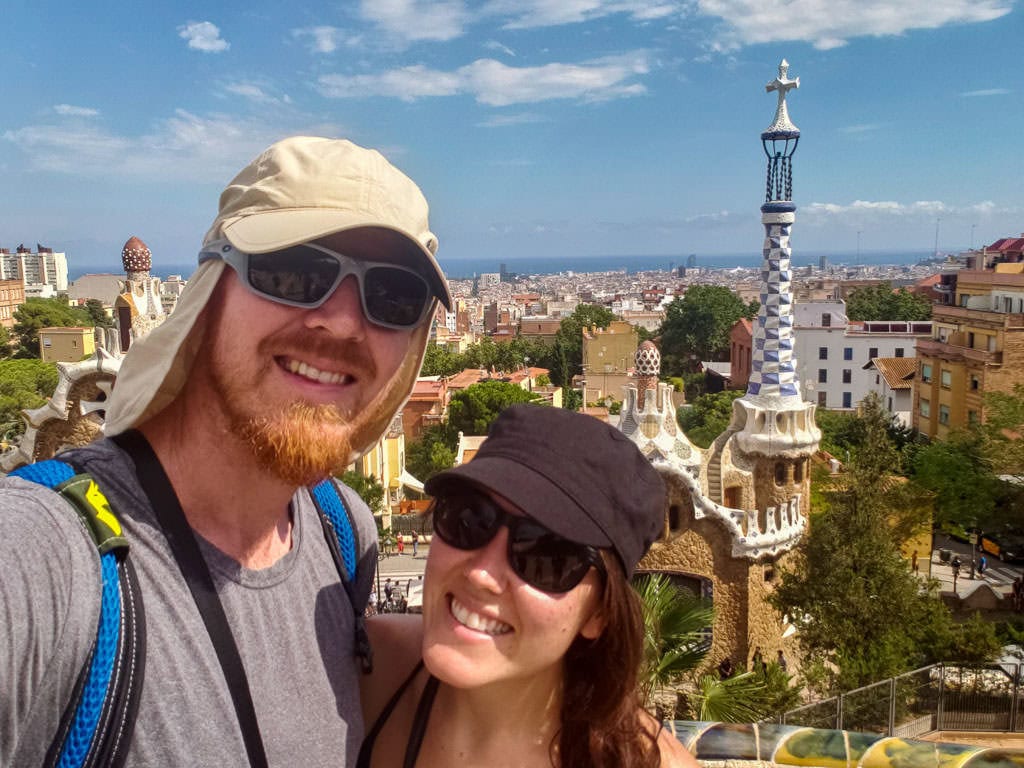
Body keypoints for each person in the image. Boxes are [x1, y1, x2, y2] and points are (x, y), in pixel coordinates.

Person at [1, 136, 452, 766]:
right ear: (210, 289)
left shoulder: (342, 530)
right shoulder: (49, 554)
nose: (344, 321)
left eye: (394, 297)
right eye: (297, 272)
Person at [359, 405, 698, 768]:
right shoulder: (369, 671)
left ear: (599, 611)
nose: (482, 575)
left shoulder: (636, 760)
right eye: (468, 519)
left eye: (546, 557)